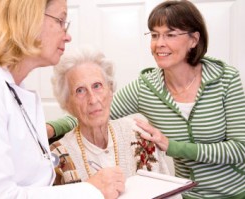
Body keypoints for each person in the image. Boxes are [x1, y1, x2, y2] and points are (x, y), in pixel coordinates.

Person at [46, 1, 245, 198]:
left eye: (170, 34)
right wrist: (50, 129)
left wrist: (172, 146)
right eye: (155, 34)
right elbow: (95, 109)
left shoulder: (225, 79)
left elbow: (240, 149)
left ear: (194, 39)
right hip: (187, 195)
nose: (159, 43)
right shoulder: (146, 87)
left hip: (232, 193)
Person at [0, 0, 125, 198]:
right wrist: (90, 190)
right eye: (60, 21)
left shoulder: (13, 89)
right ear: (27, 19)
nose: (67, 36)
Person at [49, 48, 170, 185]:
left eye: (97, 86)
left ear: (110, 90)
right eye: (80, 90)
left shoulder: (139, 135)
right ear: (67, 104)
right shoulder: (58, 156)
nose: (93, 99)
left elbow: (168, 193)